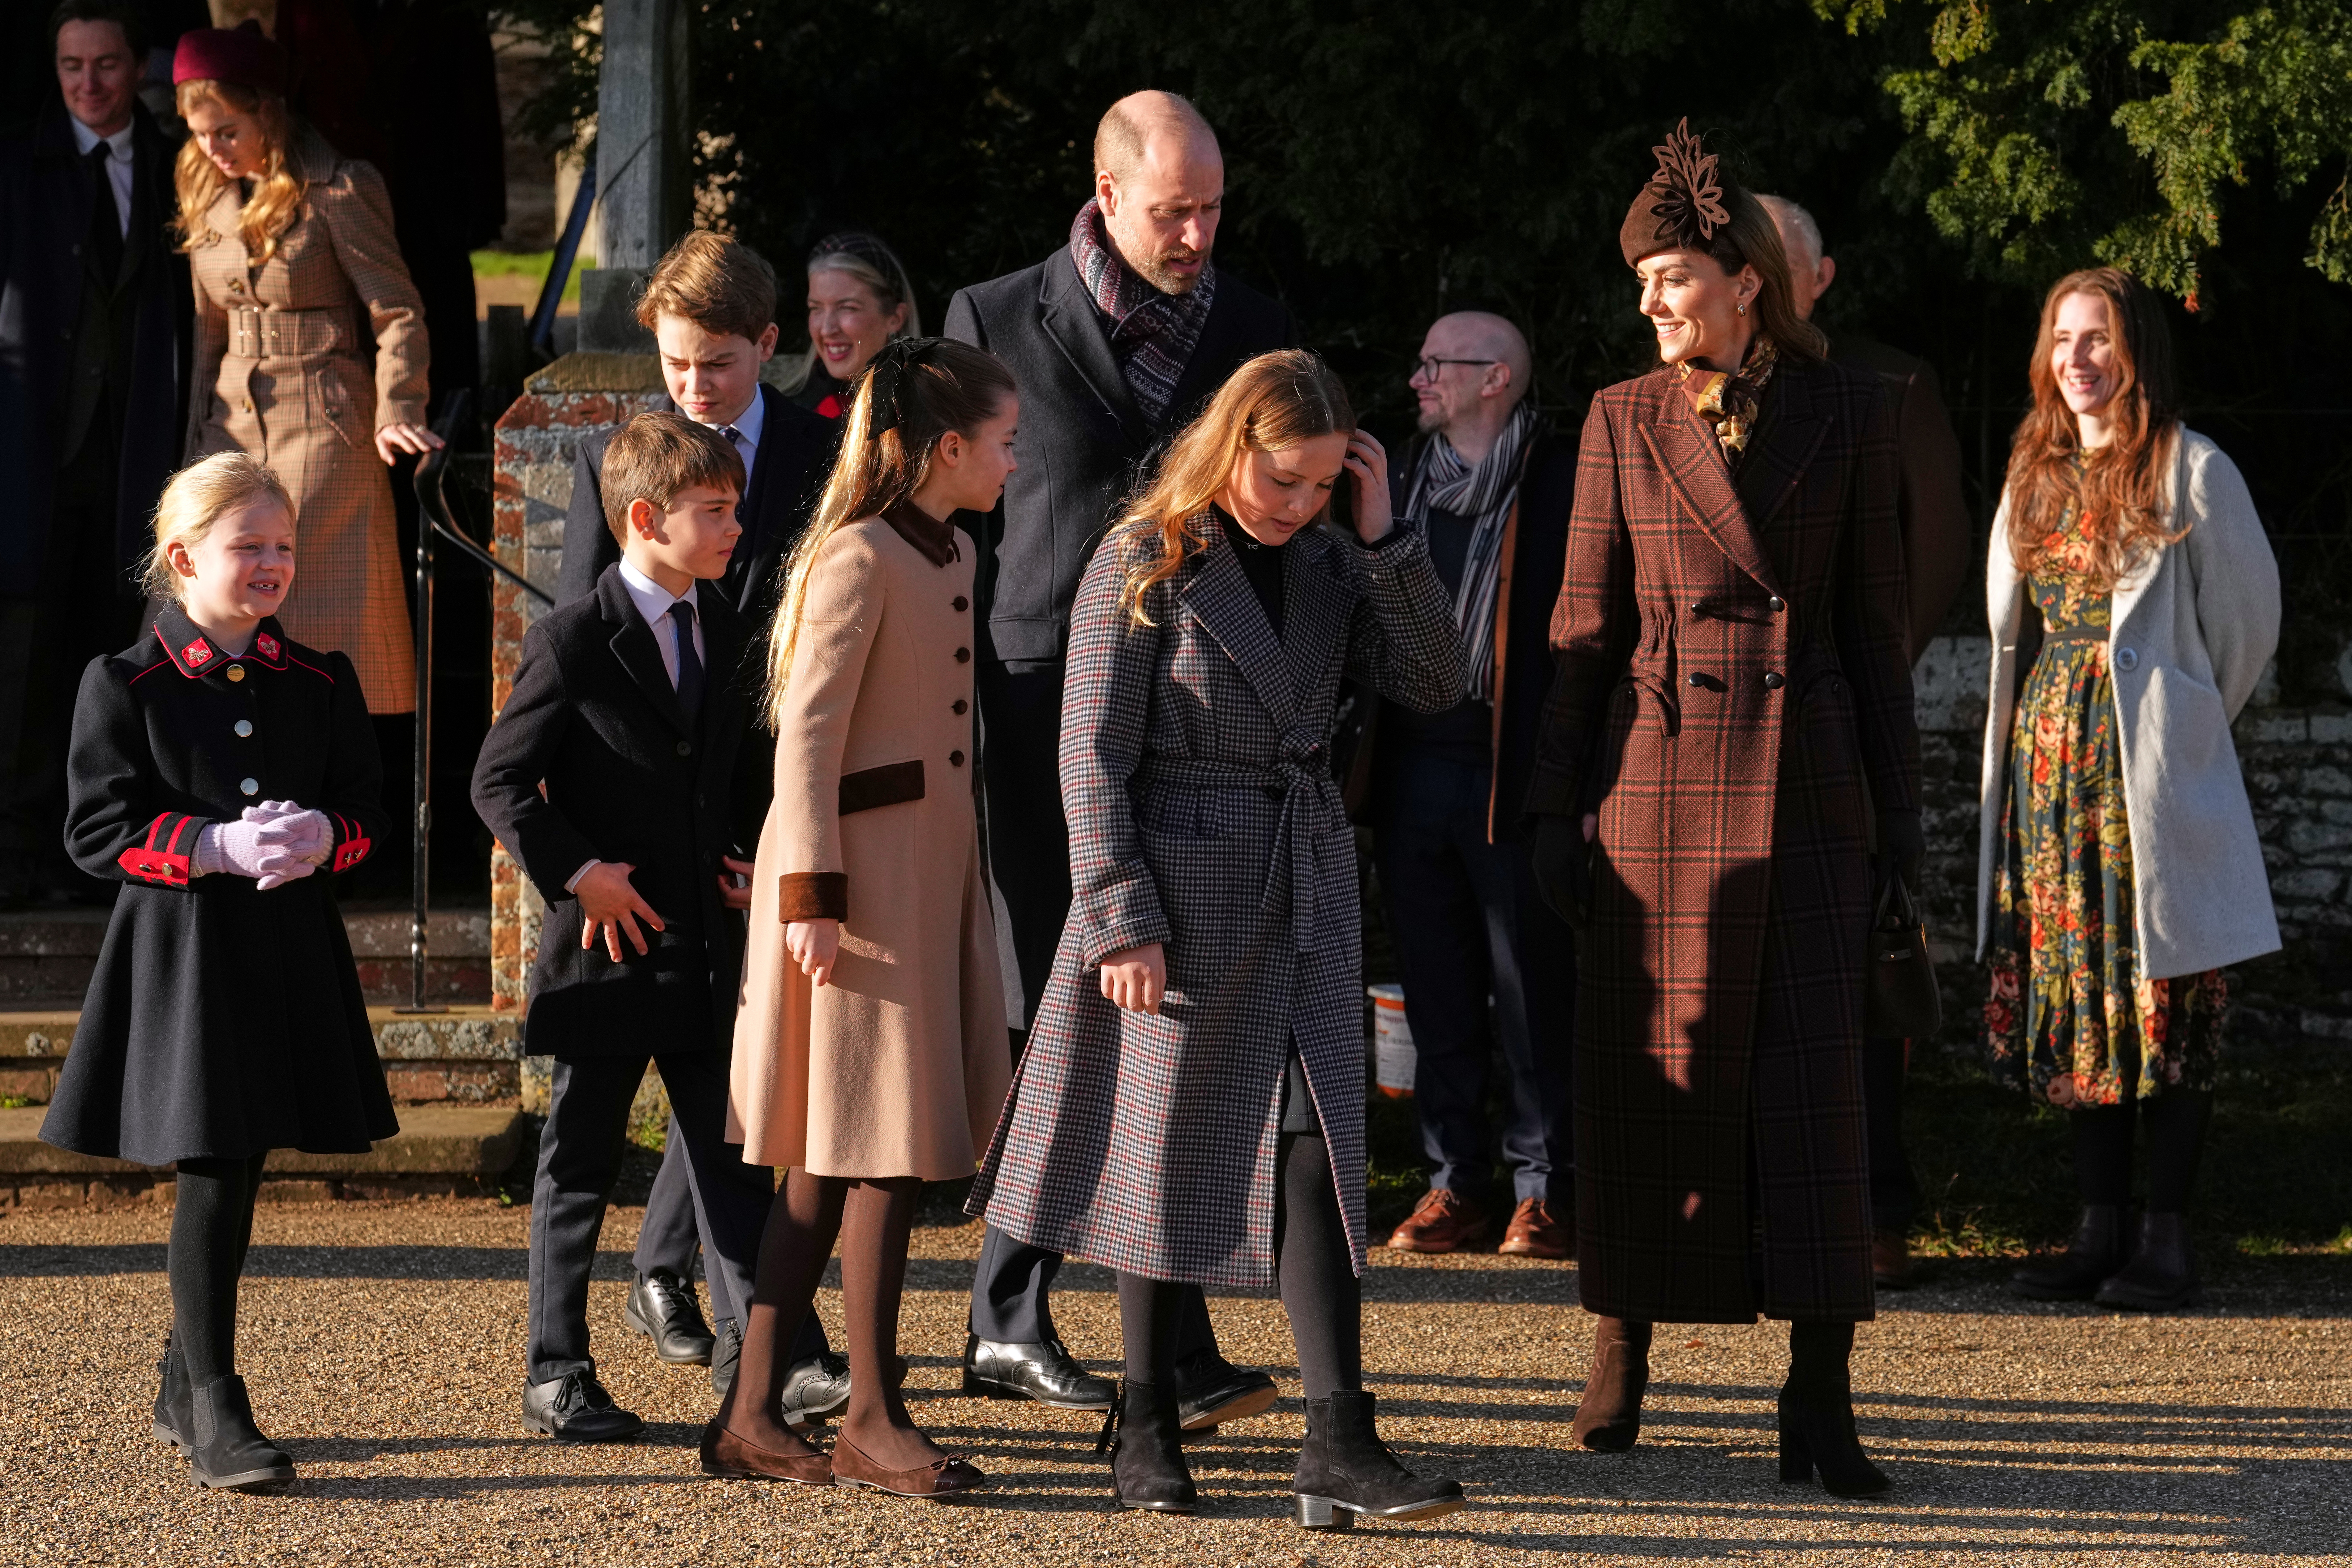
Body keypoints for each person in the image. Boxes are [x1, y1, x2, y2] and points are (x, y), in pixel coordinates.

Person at [969, 349, 1468, 1528]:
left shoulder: (1337, 560)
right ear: (1231, 443)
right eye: (1278, 480)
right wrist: (1119, 917)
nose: (1293, 504)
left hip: (1299, 884)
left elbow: (1438, 682)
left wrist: (1387, 532)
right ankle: (1142, 1419)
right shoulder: (1142, 555)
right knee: (1164, 1143)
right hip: (1177, 888)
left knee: (1316, 1151)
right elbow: (1085, 753)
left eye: (1314, 483)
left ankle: (1339, 1438)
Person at [1524, 121, 1921, 1497]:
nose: (1647, 304)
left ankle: (1819, 1394)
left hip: (1806, 785)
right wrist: (1546, 810)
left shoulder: (1849, 415)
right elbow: (1576, 630)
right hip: (1659, 779)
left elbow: (1876, 638)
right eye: (1638, 281)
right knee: (1648, 1077)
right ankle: (1617, 1344)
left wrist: (1903, 835)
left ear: (1747, 281)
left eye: (1672, 277)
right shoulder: (1617, 418)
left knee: (1815, 1093)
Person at [943, 86, 1295, 1428]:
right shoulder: (988, 318)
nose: (1199, 232)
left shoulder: (1254, 328)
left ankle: (1155, 1328)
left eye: (1213, 208)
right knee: (1059, 1008)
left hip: (1197, 729)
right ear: (1105, 183)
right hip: (1036, 715)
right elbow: (960, 522)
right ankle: (1013, 1312)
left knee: (1178, 1021)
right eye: (1174, 210)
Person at [40, 450, 395, 1491]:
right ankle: (212, 1399)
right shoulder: (125, 681)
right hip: (184, 958)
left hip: (285, 952)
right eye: (250, 546)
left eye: (283, 545)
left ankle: (178, 1371)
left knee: (243, 1161)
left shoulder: (322, 678)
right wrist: (212, 847)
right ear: (183, 556)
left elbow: (373, 817)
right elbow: (95, 829)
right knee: (212, 1158)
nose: (273, 562)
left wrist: (329, 834)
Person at [709, 339, 1016, 1498]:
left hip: (928, 881)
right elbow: (808, 740)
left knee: (822, 1170)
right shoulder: (857, 554)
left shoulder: (956, 552)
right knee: (871, 1152)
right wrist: (813, 905)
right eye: (1004, 440)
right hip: (852, 895)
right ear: (947, 447)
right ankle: (873, 1420)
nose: (1013, 459)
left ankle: (748, 1419)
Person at [558, 231, 842, 1418]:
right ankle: (752, 1333)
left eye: (717, 365)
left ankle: (694, 1290)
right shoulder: (607, 456)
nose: (691, 386)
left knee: (752, 1062)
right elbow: (582, 650)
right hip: (656, 821)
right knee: (698, 1064)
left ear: (768, 346)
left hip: (782, 785)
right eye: (673, 362)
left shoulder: (826, 453)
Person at [469, 412, 783, 1444]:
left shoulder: (731, 627)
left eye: (735, 505)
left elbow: (744, 777)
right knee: (577, 1168)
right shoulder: (573, 636)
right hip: (603, 957)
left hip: (703, 951)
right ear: (645, 518)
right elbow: (500, 781)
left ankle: (754, 1373)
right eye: (715, 510)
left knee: (734, 1164)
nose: (736, 525)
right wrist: (580, 873)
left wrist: (751, 859)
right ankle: (556, 1370)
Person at [1980, 267, 2279, 1313]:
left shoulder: (2192, 471)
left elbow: (2247, 629)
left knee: (2165, 999)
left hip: (2148, 778)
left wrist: (2180, 724)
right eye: (2062, 338)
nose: (2077, 359)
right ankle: (2094, 1228)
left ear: (2136, 351)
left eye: (2098, 338)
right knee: (2077, 997)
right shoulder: (2033, 471)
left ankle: (2164, 1238)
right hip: (2050, 777)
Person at [1760, 193, 1974, 1289]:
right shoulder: (1704, 391)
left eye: (1772, 260)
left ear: (1820, 276)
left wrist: (1853, 686)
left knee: (1859, 971)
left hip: (1842, 721)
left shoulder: (1888, 382)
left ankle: (1875, 1206)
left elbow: (1932, 547)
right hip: (1724, 735)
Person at [1366, 311, 1578, 1261]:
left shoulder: (1561, 476)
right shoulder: (1396, 481)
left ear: (1494, 378)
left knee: (1529, 983)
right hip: (1415, 757)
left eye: (1434, 364)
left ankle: (1544, 1189)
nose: (1417, 380)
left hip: (1511, 760)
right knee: (1435, 984)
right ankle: (1453, 1183)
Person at [172, 20, 435, 722]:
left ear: (268, 111)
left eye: (226, 130)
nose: (211, 149)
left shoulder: (340, 189)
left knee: (315, 611)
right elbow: (208, 331)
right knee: (204, 594)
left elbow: (397, 311)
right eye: (200, 133)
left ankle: (327, 776)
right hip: (230, 424)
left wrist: (399, 407)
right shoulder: (202, 189)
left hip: (325, 425)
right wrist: (195, 433)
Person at [0, 0, 193, 905]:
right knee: (26, 651)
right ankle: (20, 844)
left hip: (134, 457)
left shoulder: (170, 169)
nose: (88, 83)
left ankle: (103, 839)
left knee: (111, 642)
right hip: (32, 450)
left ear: (138, 65)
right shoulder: (16, 166)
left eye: (106, 64)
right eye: (72, 65)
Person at [777, 230, 919, 419]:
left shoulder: (933, 410)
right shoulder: (786, 417)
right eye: (816, 308)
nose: (827, 329)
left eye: (847, 308)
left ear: (895, 318)